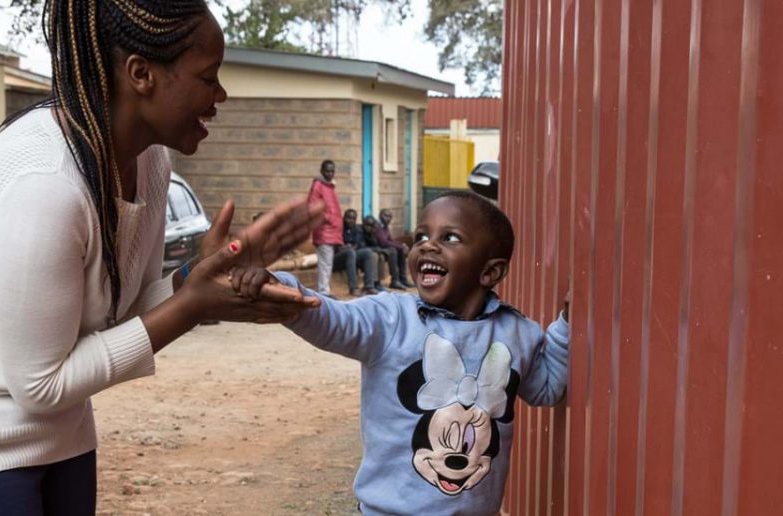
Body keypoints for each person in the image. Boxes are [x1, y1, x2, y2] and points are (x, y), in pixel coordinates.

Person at [0, 2, 324, 514]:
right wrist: (193, 305)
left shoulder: (150, 161)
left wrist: (200, 275)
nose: (220, 96)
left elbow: (122, 312)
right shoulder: (44, 182)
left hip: (58, 436)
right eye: (208, 78)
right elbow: (40, 384)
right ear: (141, 74)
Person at [230, 191, 571, 515]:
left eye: (450, 238)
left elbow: (546, 388)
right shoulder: (391, 319)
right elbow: (331, 320)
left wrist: (568, 324)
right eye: (421, 236)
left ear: (490, 272)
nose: (428, 246)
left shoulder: (517, 333)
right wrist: (279, 287)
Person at [307, 160, 343, 295]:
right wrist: (329, 218)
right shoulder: (318, 185)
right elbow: (312, 208)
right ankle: (323, 292)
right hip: (324, 232)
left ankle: (324, 291)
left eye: (332, 171)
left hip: (331, 232)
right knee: (325, 264)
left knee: (327, 263)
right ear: (322, 171)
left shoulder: (330, 186)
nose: (330, 174)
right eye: (327, 171)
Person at [340, 208, 383, 295]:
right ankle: (353, 288)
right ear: (343, 218)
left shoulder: (356, 229)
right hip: (338, 256)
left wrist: (353, 246)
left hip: (352, 254)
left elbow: (359, 244)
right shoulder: (339, 228)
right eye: (349, 218)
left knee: (367, 252)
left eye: (353, 219)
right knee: (350, 252)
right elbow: (337, 245)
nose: (351, 221)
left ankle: (368, 286)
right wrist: (345, 247)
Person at [364, 213, 412, 289]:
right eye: (386, 216)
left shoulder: (385, 227)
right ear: (380, 216)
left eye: (390, 217)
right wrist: (400, 247)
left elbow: (391, 240)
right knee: (393, 251)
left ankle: (402, 279)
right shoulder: (377, 227)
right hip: (380, 248)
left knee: (400, 251)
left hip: (382, 248)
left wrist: (402, 245)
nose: (388, 218)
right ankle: (394, 280)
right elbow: (384, 242)